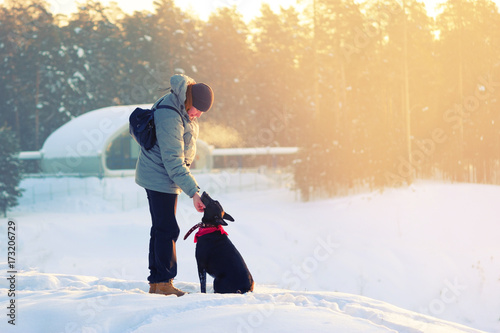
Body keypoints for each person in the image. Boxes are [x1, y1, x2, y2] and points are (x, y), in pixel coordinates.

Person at [135, 74, 214, 296]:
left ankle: (157, 282)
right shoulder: (170, 114)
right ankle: (163, 283)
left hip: (164, 175)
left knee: (161, 227)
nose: (197, 115)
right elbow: (172, 159)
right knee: (167, 228)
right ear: (189, 100)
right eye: (197, 109)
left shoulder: (181, 106)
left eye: (201, 112)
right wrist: (194, 192)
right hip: (159, 176)